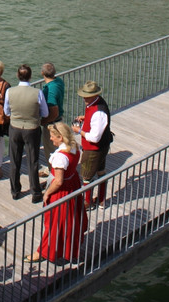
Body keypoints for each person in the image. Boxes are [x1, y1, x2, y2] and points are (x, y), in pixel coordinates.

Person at [25, 122, 87, 264]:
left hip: (62, 191)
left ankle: (44, 251)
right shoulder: (74, 147)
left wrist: (47, 194)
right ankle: (67, 247)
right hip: (73, 185)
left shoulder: (60, 157)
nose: (50, 139)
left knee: (54, 223)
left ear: (60, 137)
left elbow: (58, 181)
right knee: (69, 220)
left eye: (53, 136)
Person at [4, 64, 49, 202]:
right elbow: (45, 112)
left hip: (15, 128)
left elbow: (6, 111)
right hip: (32, 129)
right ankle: (35, 193)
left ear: (18, 76)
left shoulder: (10, 91)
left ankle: (15, 191)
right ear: (30, 76)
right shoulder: (37, 93)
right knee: (33, 161)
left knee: (15, 161)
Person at [72, 81, 113, 209]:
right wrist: (86, 118)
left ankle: (88, 203)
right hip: (102, 146)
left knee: (86, 176)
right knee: (100, 172)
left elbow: (94, 138)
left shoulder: (98, 112)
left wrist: (79, 131)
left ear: (94, 95)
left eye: (86, 96)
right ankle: (101, 200)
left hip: (93, 149)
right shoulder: (97, 103)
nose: (84, 98)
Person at [39, 62, 65, 178]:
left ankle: (53, 174)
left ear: (43, 73)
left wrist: (43, 122)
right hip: (59, 121)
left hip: (52, 124)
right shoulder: (58, 81)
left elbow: (54, 110)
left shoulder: (50, 89)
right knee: (57, 148)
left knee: (50, 150)